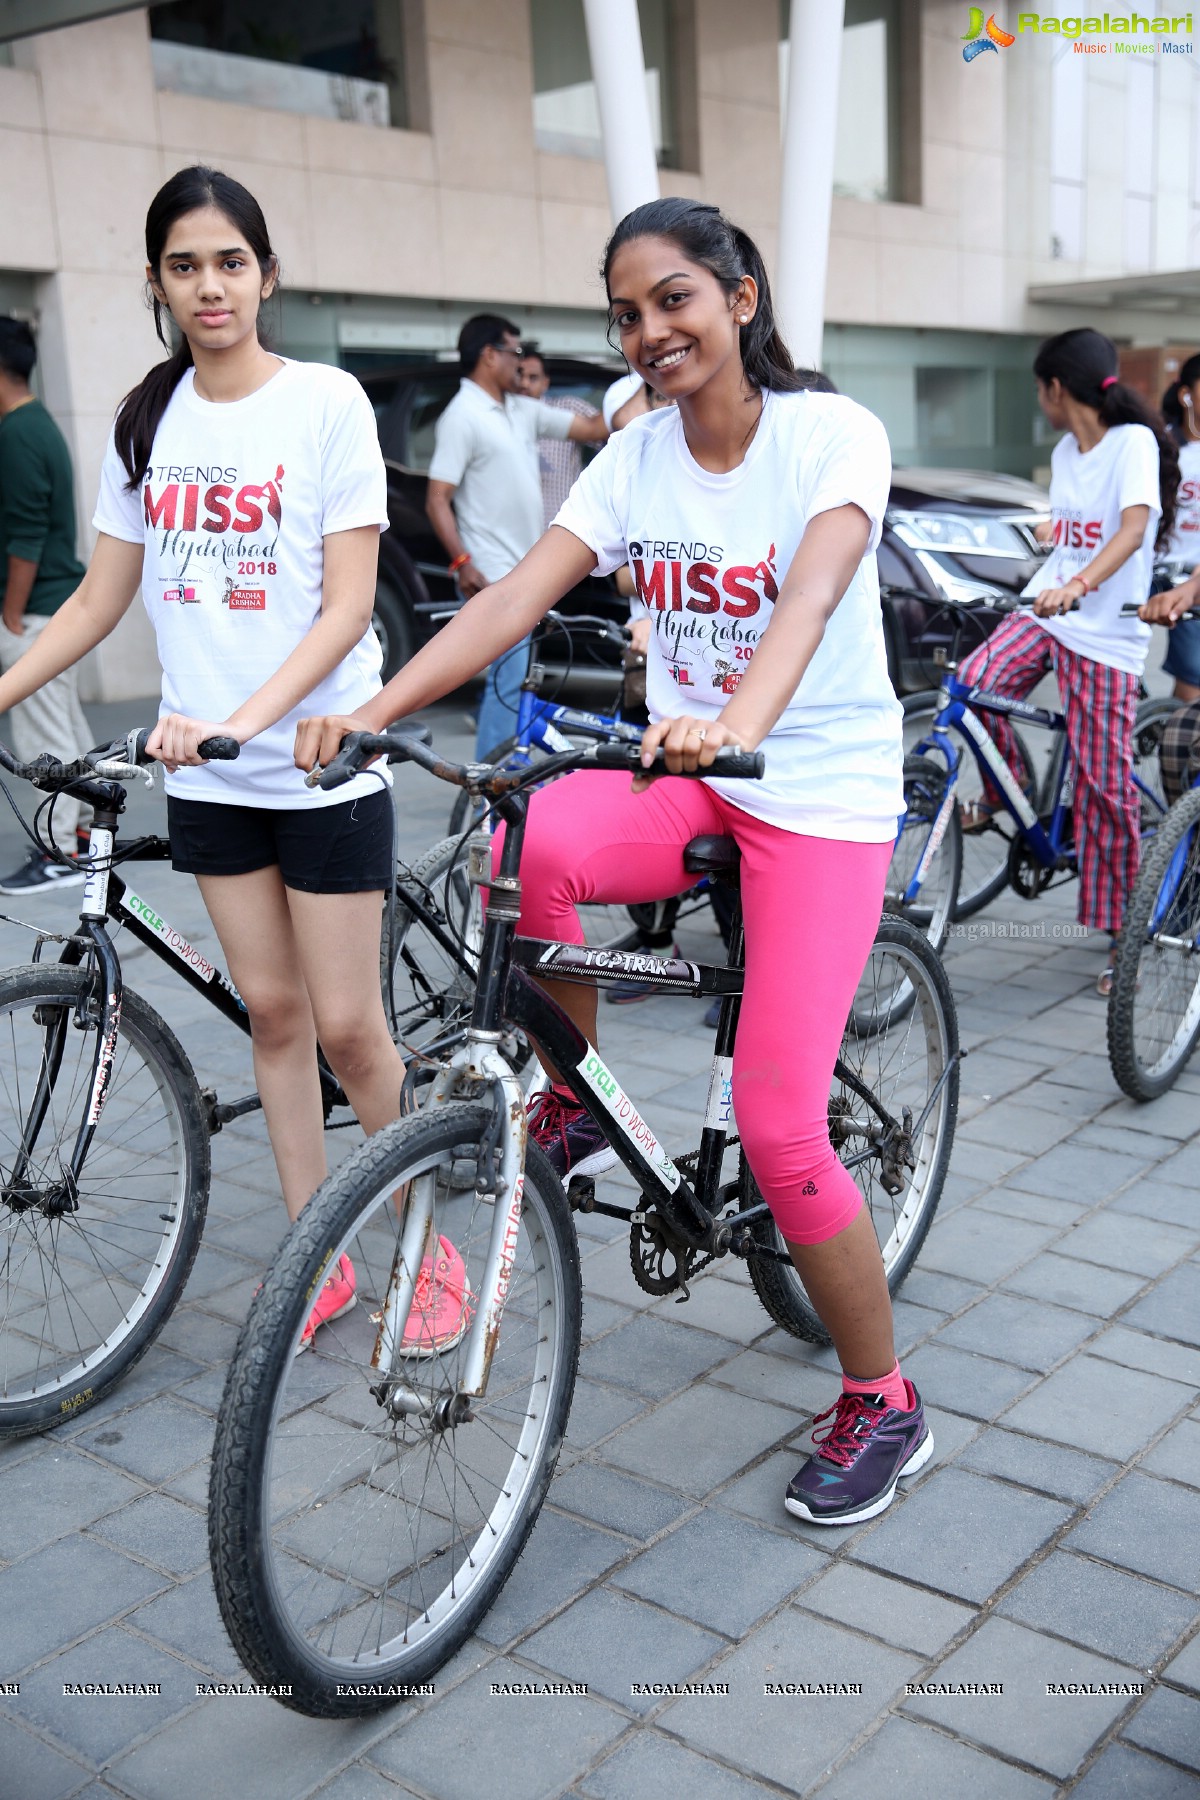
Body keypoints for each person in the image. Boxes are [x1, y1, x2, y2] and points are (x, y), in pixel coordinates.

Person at [297, 196, 928, 1530]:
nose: (649, 332)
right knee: (536, 841)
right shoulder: (635, 459)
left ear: (741, 298)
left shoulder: (831, 434)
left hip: (815, 791)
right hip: (688, 774)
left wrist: (739, 721)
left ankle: (885, 1399)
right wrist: (378, 707)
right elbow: (515, 597)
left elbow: (811, 593)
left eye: (675, 300)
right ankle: (574, 1097)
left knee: (780, 1123)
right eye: (627, 313)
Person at [0, 165, 463, 1356]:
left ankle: (427, 1241)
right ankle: (322, 1255)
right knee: (270, 1016)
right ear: (155, 281)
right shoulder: (146, 421)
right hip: (209, 774)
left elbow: (348, 605)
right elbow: (101, 599)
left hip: (319, 767)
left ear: (267, 274)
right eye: (184, 264)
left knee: (354, 1031)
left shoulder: (324, 404)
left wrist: (246, 719)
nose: (210, 286)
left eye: (229, 262)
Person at [956, 327, 1179, 996]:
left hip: (1107, 632)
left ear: (1057, 387)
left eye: (1039, 389)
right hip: (1048, 611)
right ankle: (1006, 792)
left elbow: (1132, 530)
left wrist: (1080, 585)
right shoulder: (1063, 450)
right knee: (973, 684)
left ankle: (1124, 937)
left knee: (1102, 790)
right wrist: (1043, 561)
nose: (1041, 401)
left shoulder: (1132, 444)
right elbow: (1070, 537)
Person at [426, 314, 607, 757]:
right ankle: (492, 787)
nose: (520, 363)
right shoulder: (462, 416)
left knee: (515, 680)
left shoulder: (520, 409)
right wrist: (462, 563)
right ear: (490, 355)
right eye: (515, 352)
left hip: (527, 572)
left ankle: (503, 777)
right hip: (493, 573)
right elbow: (436, 499)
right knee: (507, 683)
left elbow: (593, 429)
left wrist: (641, 386)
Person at [0, 316, 93, 892]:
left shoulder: (18, 432)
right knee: (63, 723)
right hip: (54, 604)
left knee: (43, 734)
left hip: (35, 608)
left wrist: (11, 615)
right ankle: (81, 831)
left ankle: (58, 849)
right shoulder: (36, 425)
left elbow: (27, 535)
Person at [515, 343, 600, 526]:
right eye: (519, 375)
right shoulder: (500, 419)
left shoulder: (568, 408)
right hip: (516, 541)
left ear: (546, 382)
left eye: (533, 377)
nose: (524, 384)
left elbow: (609, 435)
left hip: (562, 533)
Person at [1157, 353, 1200, 702]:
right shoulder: (1160, 444)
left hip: (1196, 579)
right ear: (1186, 394)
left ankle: (1169, 732)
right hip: (1154, 568)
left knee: (1193, 676)